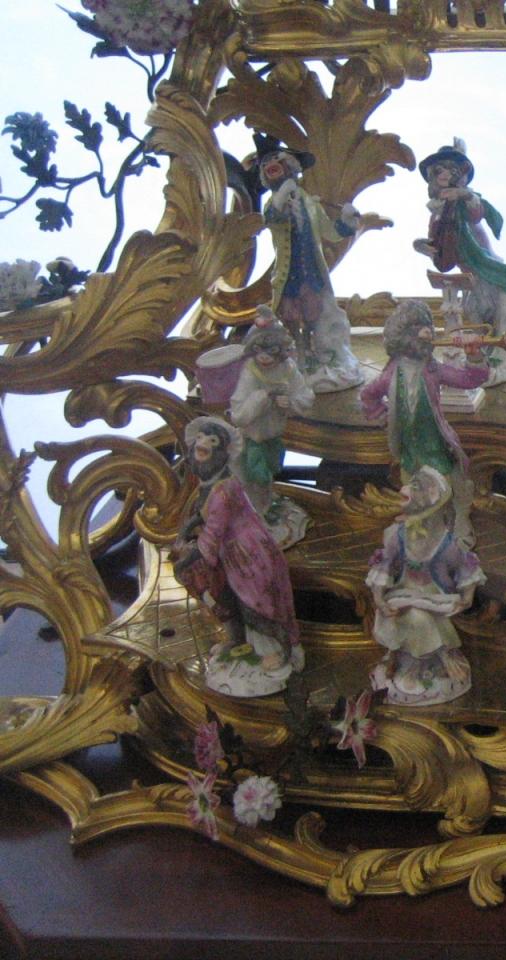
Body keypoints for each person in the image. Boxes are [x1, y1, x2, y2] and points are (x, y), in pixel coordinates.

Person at [172, 417, 303, 697]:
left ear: (221, 453)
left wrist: (187, 560)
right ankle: (236, 640)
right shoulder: (210, 484)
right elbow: (201, 515)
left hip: (246, 554)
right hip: (227, 554)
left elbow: (213, 533)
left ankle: (277, 648)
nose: (203, 444)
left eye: (212, 441)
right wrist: (185, 533)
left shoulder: (225, 489)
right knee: (225, 598)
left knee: (254, 604)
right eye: (201, 438)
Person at [360, 300, 488, 545]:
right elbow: (368, 396)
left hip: (435, 444)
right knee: (416, 490)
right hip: (410, 449)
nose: (427, 332)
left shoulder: (433, 369)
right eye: (418, 328)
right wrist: (384, 417)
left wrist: (474, 356)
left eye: (427, 326)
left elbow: (469, 380)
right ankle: (427, 529)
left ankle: (456, 522)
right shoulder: (391, 373)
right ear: (402, 336)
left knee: (446, 484)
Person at [413, 139, 506, 385]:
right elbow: (443, 253)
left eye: (449, 169)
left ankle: (501, 361)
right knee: (473, 315)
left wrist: (464, 194)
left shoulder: (464, 204)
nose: (443, 174)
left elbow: (476, 213)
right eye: (438, 171)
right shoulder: (438, 213)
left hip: (490, 272)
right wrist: (423, 247)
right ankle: (479, 359)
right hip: (471, 279)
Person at [253, 132, 364, 393]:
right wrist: (283, 194)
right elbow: (272, 217)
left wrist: (347, 221)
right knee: (291, 317)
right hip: (287, 274)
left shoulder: (310, 203)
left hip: (311, 273)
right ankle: (300, 355)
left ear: (290, 167)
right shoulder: (273, 203)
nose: (272, 167)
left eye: (276, 161)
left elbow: (331, 233)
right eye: (266, 165)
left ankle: (319, 355)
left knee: (314, 314)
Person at [367, 467, 485, 705]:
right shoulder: (397, 535)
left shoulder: (448, 542)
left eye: (417, 488)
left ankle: (430, 661)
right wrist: (379, 598)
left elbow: (467, 569)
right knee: (409, 615)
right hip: (402, 593)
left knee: (420, 617)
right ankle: (405, 659)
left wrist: (467, 597)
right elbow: (383, 567)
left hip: (435, 597)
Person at [228, 306, 314, 529]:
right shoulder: (250, 373)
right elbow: (239, 414)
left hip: (273, 436)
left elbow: (305, 397)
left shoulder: (288, 370)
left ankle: (264, 507)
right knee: (255, 476)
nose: (264, 358)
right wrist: (263, 398)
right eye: (259, 352)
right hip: (252, 439)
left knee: (268, 474)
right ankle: (256, 514)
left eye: (271, 352)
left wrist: (290, 403)